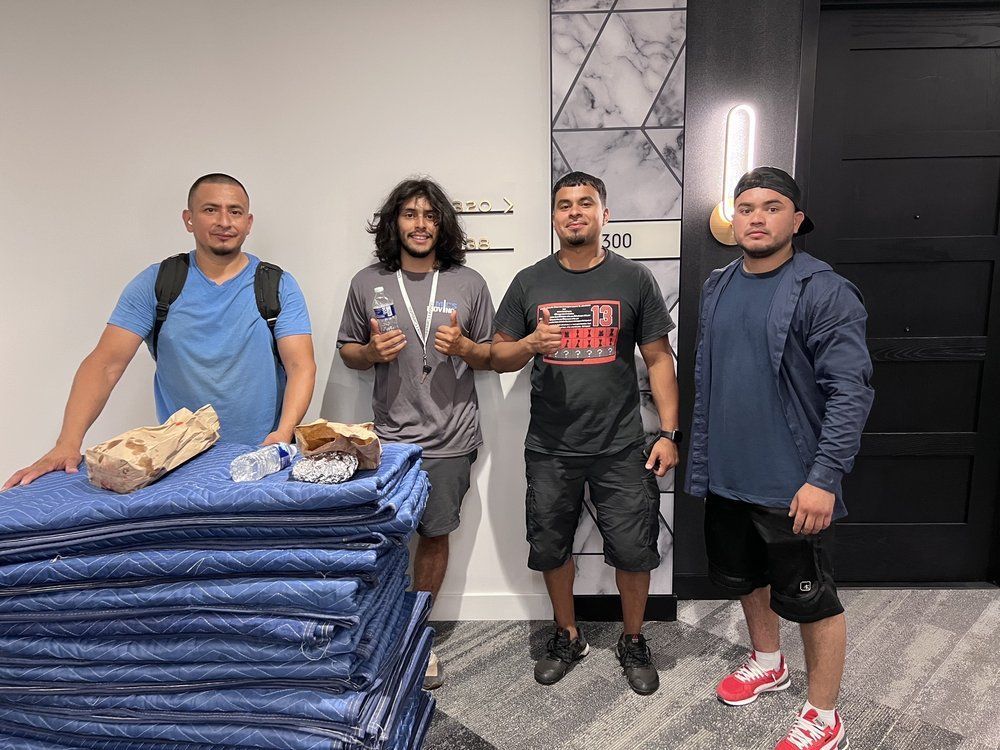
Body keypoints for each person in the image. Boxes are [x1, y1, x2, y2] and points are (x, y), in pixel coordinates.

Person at [686, 167, 873, 750]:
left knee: (813, 599)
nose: (757, 217)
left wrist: (823, 478)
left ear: (796, 220)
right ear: (732, 220)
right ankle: (768, 660)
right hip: (727, 475)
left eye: (772, 207)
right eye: (746, 208)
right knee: (745, 579)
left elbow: (851, 389)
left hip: (793, 483)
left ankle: (825, 714)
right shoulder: (717, 284)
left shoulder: (823, 288)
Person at [491, 171, 680, 696]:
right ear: (554, 217)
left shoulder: (633, 279)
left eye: (585, 203)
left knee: (634, 550)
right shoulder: (530, 282)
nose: (574, 212)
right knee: (551, 548)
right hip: (550, 447)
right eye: (564, 205)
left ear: (604, 214)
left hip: (621, 446)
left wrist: (669, 432)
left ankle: (634, 638)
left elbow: (659, 357)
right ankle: (567, 634)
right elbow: (497, 357)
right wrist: (530, 342)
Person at [3, 173, 316, 490]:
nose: (224, 221)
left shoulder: (277, 285)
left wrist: (282, 434)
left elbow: (300, 365)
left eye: (234, 211)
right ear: (188, 219)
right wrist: (67, 444)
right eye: (210, 210)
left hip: (263, 457)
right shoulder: (156, 284)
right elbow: (105, 364)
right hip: (180, 463)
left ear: (248, 223)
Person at [337, 177, 494, 690]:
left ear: (442, 223)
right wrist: (370, 354)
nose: (420, 224)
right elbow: (347, 351)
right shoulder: (367, 281)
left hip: (451, 437)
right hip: (391, 439)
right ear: (394, 222)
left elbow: (492, 355)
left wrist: (467, 348)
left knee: (434, 535)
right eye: (410, 214)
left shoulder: (468, 283)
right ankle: (381, 632)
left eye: (429, 215)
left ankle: (414, 635)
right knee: (386, 540)